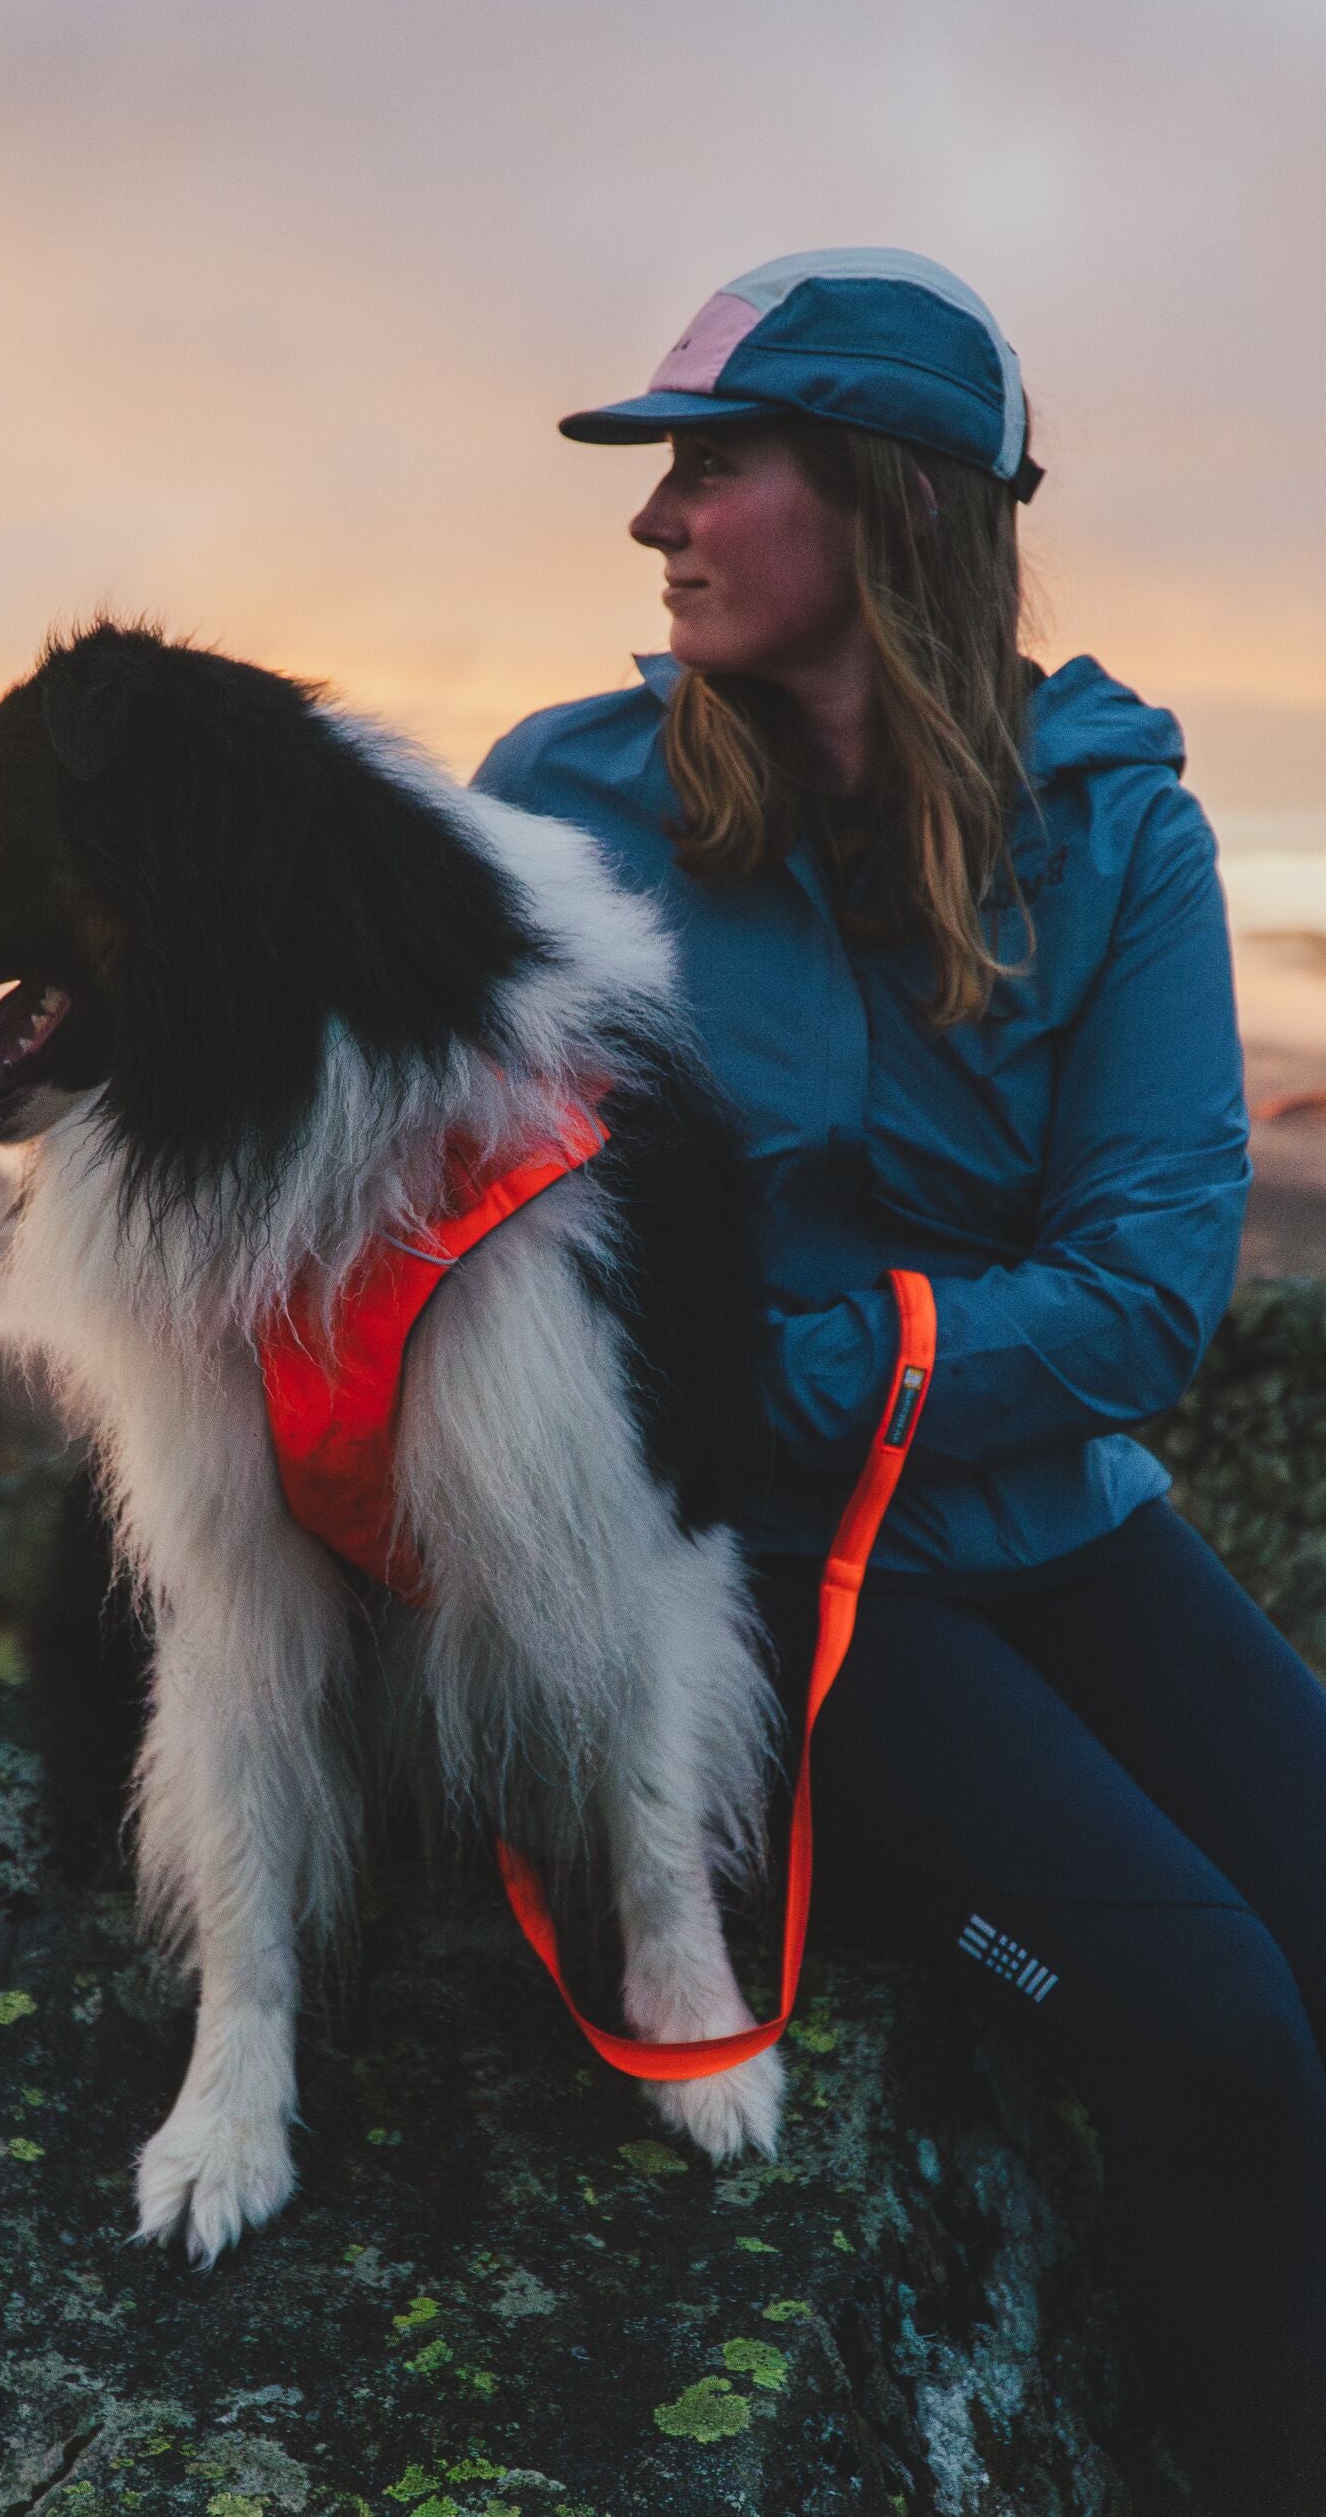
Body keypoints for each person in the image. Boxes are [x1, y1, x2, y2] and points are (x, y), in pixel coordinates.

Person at [471, 247, 1326, 2515]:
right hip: (749, 1577)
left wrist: (773, 1370)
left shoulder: (1119, 827)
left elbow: (1144, 1298)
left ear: (891, 503)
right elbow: (454, 1222)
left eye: (713, 467)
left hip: (1043, 1521)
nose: (655, 518)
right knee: (1216, 2030)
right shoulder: (560, 805)